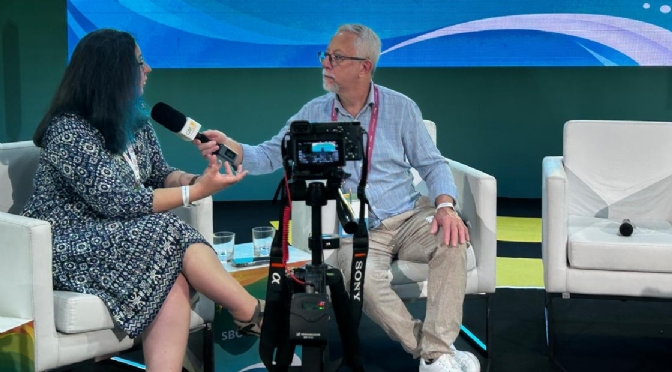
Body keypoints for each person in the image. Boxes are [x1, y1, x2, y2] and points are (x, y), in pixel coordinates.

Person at [196, 24, 480, 372]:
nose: (325, 63)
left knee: (453, 240)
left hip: (408, 216)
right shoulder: (314, 111)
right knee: (362, 282)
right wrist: (231, 147)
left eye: (337, 57)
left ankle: (436, 354)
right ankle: (435, 355)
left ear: (365, 67)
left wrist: (446, 207)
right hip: (357, 229)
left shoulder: (401, 107)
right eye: (326, 55)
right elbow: (269, 155)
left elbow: (433, 164)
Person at [21, 28, 264, 372]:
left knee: (170, 275)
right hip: (67, 244)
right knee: (166, 230)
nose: (148, 69)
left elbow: (159, 174)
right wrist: (195, 193)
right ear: (113, 72)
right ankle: (251, 312)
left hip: (124, 238)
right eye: (139, 62)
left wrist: (197, 180)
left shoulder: (134, 122)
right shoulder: (68, 131)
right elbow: (116, 202)